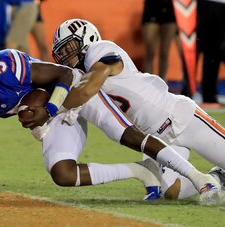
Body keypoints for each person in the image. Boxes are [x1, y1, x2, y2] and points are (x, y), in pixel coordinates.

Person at [0, 42, 219, 204]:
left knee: (125, 133)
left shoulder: (4, 66)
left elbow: (66, 75)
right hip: (51, 115)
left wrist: (51, 108)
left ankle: (198, 174)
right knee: (62, 173)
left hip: (72, 95)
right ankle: (140, 171)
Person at [51, 18, 225, 201]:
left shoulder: (100, 49)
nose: (66, 55)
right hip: (157, 138)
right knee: (172, 192)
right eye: (61, 51)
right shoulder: (81, 76)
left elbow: (88, 88)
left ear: (87, 38)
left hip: (181, 117)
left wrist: (54, 108)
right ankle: (219, 177)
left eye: (69, 47)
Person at [197, 0, 225, 108]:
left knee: (214, 54)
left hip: (220, 6)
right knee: (192, 52)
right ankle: (187, 93)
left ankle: (209, 96)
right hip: (197, 5)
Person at [141, 0, 177, 80]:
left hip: (170, 11)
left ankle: (163, 83)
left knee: (164, 52)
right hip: (152, 9)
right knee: (150, 52)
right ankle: (148, 83)